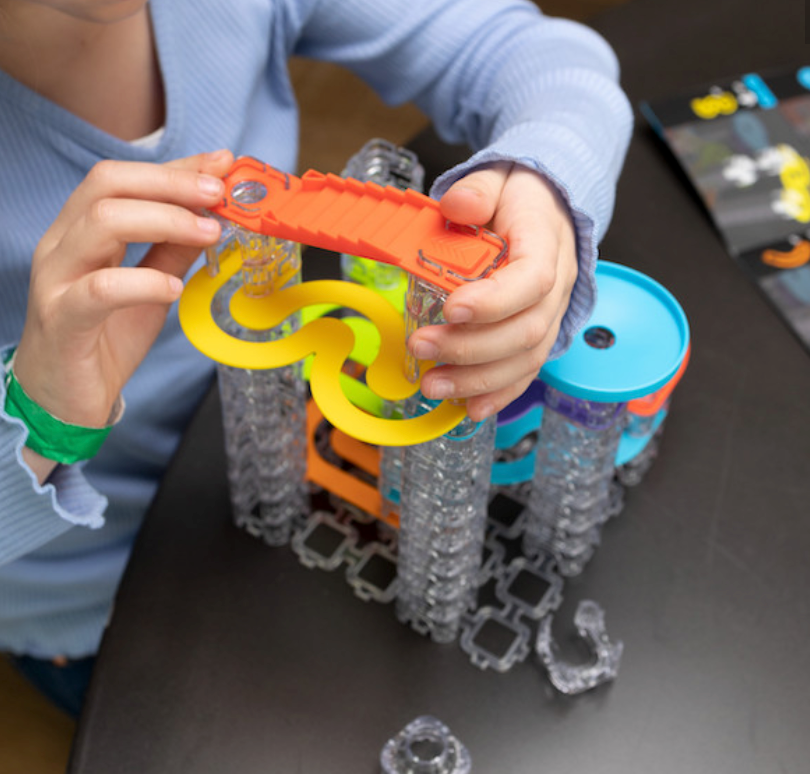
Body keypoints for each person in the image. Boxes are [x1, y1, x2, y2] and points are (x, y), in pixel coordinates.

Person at [0, 0, 632, 719]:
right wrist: (38, 416)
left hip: (286, 438)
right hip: (96, 590)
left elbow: (517, 48)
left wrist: (547, 183)